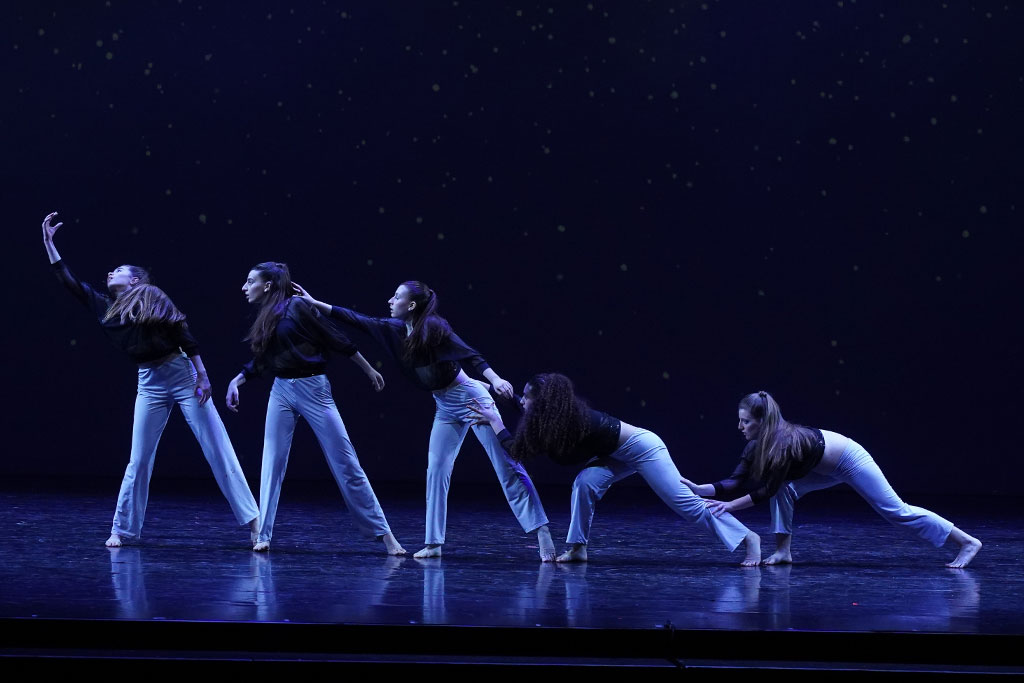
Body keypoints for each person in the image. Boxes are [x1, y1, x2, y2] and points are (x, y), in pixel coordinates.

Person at [291, 281, 554, 561]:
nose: (390, 301)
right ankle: (434, 543)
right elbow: (358, 319)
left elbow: (469, 353)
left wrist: (495, 379)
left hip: (471, 400)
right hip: (444, 405)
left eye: (397, 297)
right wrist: (315, 303)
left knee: (506, 465)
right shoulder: (395, 329)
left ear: (412, 305)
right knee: (436, 470)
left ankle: (541, 531)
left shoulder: (434, 328)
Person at [41, 211, 259, 547]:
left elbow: (183, 333)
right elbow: (69, 282)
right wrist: (49, 243)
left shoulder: (152, 296)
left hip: (182, 374)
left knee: (216, 446)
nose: (110, 272)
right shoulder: (105, 307)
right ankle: (122, 528)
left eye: (119, 270)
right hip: (149, 381)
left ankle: (255, 522)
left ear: (134, 281)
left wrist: (202, 376)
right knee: (139, 457)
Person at [471, 373, 762, 565]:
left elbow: (517, 450)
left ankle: (749, 537)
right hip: (615, 454)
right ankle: (578, 548)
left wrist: (495, 422)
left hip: (644, 448)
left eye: (527, 396)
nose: (523, 400)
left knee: (686, 505)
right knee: (585, 483)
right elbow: (528, 415)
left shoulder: (567, 423)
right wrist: (497, 393)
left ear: (544, 403)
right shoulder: (554, 417)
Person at [682, 391, 982, 568]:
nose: (740, 426)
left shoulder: (782, 444)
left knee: (895, 510)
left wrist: (730, 506)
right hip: (821, 466)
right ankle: (783, 552)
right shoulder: (756, 445)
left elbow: (766, 490)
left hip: (849, 460)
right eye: (740, 420)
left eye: (745, 421)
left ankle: (967, 542)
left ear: (762, 421)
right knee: (785, 491)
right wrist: (700, 489)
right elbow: (736, 481)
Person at [226, 262, 405, 555]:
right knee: (271, 463)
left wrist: (368, 368)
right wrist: (238, 380)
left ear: (267, 286)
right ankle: (263, 534)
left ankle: (386, 537)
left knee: (346, 462)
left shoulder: (297, 306)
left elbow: (335, 338)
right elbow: (264, 360)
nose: (244, 288)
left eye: (250, 282)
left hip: (314, 389)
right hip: (281, 390)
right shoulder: (266, 316)